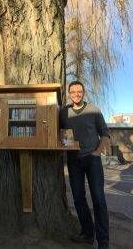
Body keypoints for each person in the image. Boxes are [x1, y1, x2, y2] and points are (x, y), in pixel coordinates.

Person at [59, 81, 110, 249]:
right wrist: (62, 140)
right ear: (69, 93)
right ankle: (88, 234)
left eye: (79, 91)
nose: (76, 94)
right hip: (74, 161)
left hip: (92, 159)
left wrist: (97, 152)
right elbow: (58, 132)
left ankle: (103, 241)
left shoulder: (94, 109)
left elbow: (105, 134)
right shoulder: (63, 112)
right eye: (73, 91)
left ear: (83, 92)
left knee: (98, 199)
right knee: (79, 198)